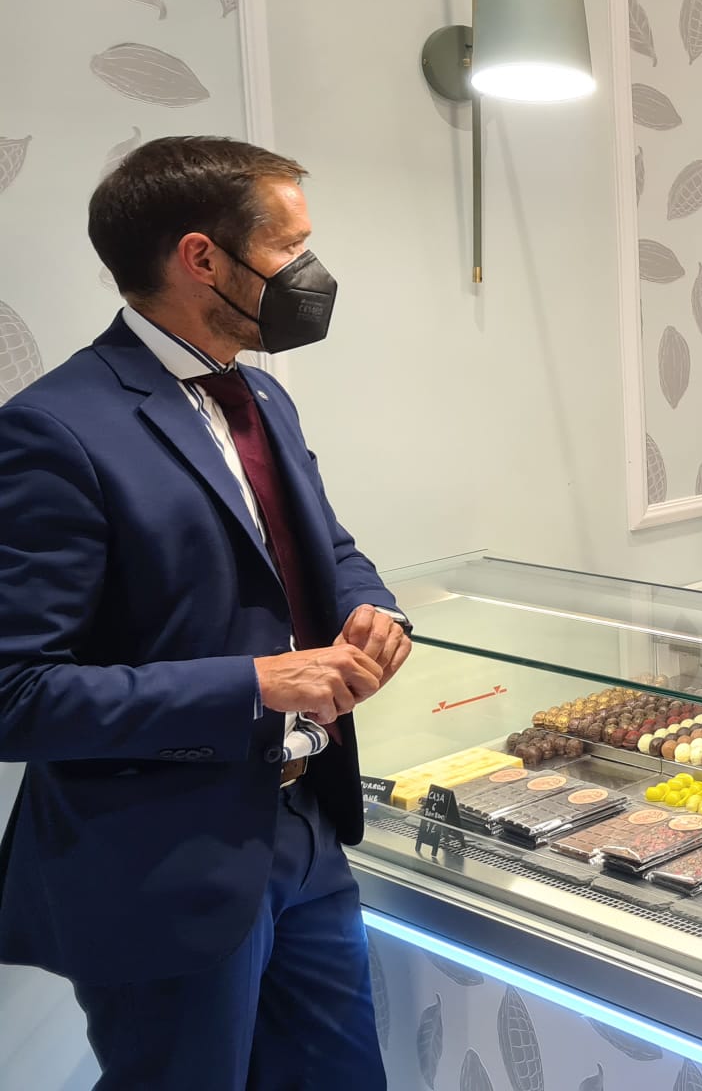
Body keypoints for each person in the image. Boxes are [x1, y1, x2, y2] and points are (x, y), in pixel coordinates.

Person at [0, 136, 408, 1091]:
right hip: (161, 866)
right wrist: (255, 686)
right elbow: (16, 696)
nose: (310, 270)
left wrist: (372, 611)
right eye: (289, 247)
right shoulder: (55, 429)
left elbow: (327, 550)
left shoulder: (260, 395)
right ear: (203, 258)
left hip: (305, 828)